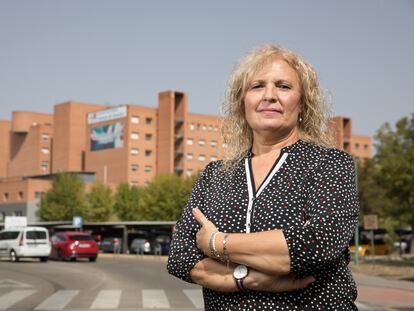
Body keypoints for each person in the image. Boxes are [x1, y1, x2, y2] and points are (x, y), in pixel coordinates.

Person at [167, 44, 359, 310]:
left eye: (283, 86)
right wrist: (246, 279)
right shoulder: (216, 175)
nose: (269, 95)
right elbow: (180, 256)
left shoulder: (329, 163)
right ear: (241, 102)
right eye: (257, 86)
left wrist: (216, 243)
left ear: (302, 102)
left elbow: (318, 244)